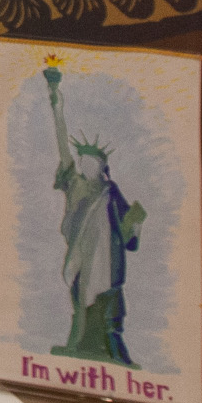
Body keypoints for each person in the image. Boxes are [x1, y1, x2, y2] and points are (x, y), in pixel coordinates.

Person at [44, 62, 144, 366]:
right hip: (82, 258)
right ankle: (80, 348)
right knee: (82, 306)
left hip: (107, 262)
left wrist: (135, 222)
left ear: (103, 166)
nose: (86, 166)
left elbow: (129, 234)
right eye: (83, 161)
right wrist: (56, 98)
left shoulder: (111, 193)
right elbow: (62, 143)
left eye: (93, 162)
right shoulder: (75, 185)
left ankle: (115, 354)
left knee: (109, 311)